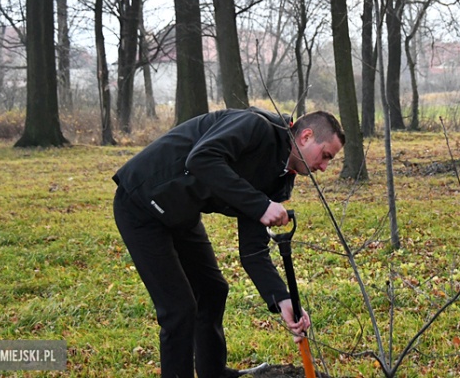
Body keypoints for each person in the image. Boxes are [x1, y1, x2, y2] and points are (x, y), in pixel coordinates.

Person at [112, 107, 345, 378]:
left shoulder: (279, 180)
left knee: (213, 290)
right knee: (179, 309)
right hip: (141, 201)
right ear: (306, 136)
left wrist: (282, 298)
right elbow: (200, 159)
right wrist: (259, 205)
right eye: (326, 155)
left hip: (182, 213)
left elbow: (253, 252)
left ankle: (213, 373)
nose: (325, 167)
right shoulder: (255, 126)